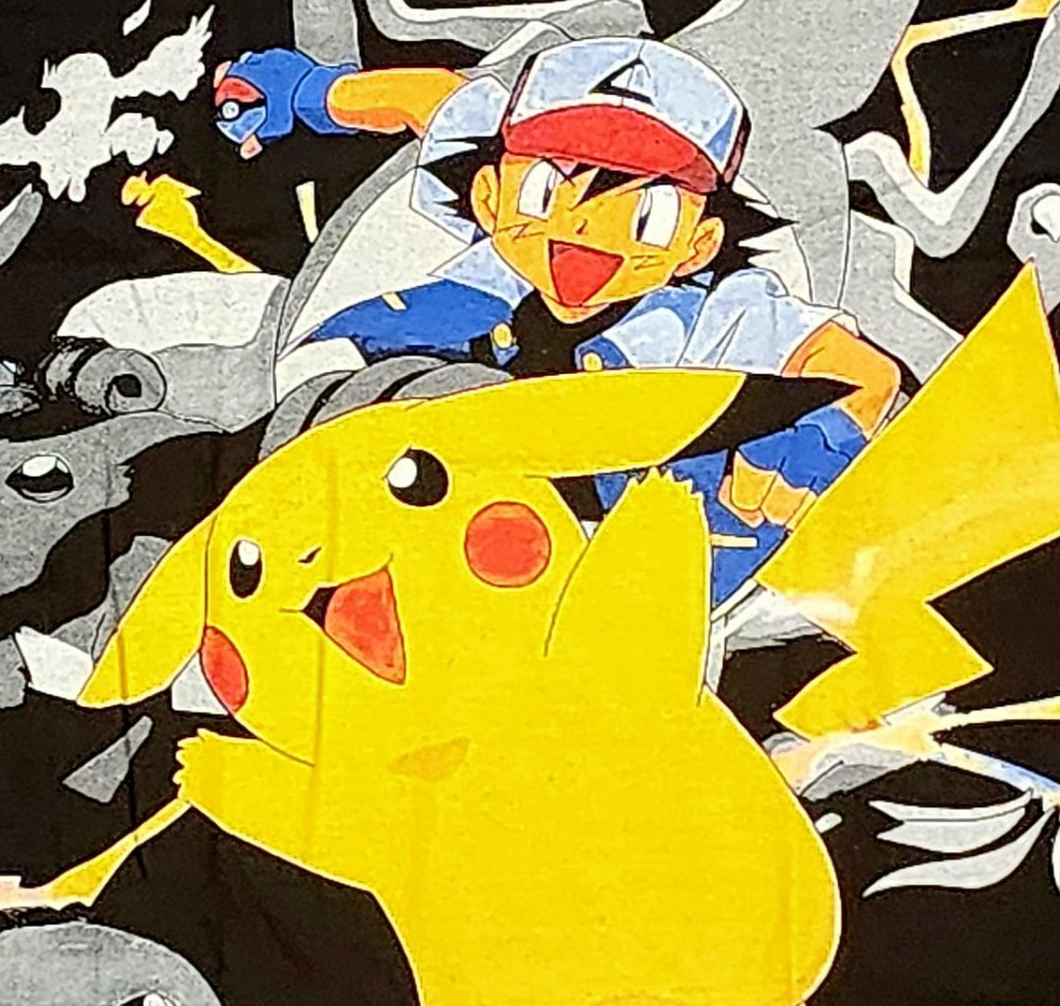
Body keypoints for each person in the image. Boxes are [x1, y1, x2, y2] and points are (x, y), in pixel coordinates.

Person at [213, 33, 902, 598]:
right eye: (548, 190)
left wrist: (820, 431)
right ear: (489, 197)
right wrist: (303, 92)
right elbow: (428, 100)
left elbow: (862, 372)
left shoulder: (723, 312)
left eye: (647, 213)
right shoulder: (489, 267)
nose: (585, 226)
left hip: (578, 581)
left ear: (699, 244)